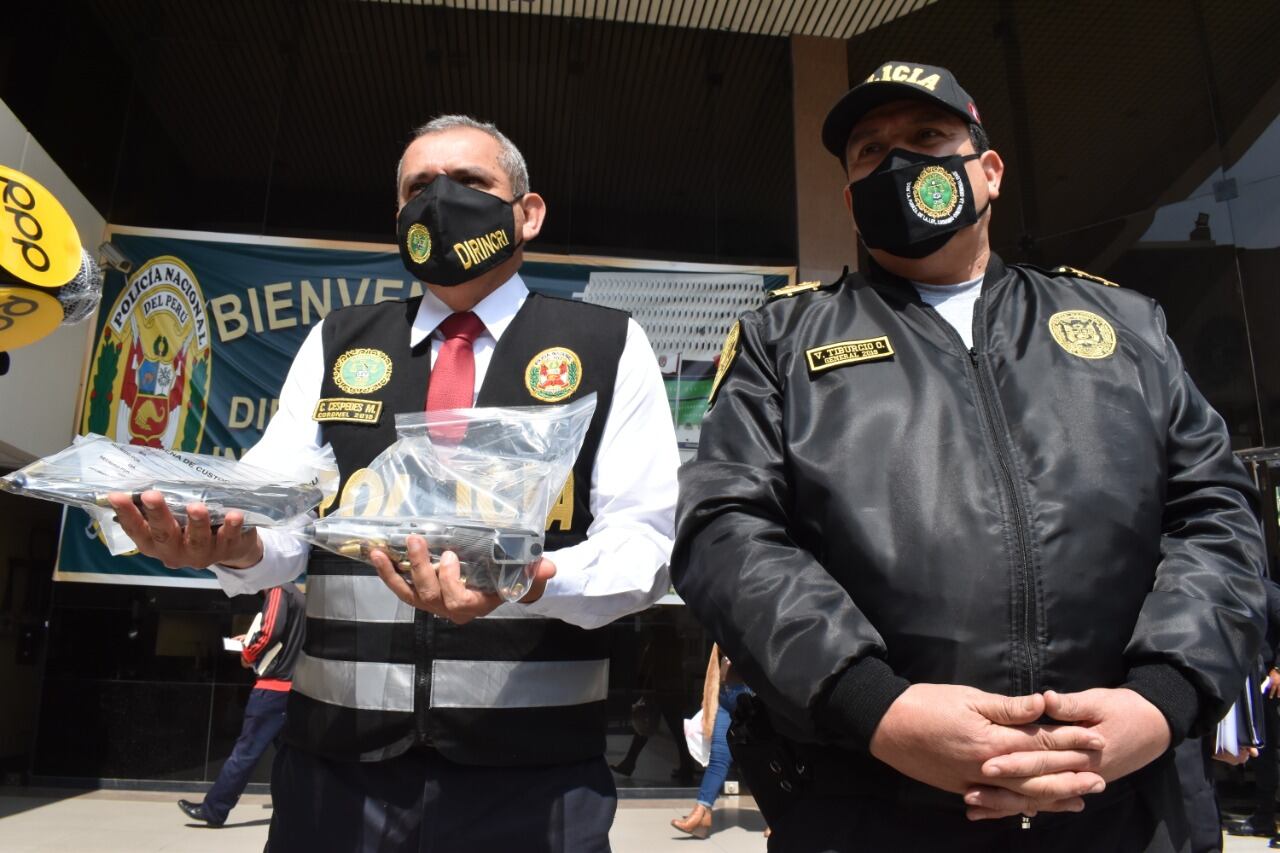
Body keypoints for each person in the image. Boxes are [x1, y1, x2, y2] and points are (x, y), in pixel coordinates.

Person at [671, 60, 1266, 852]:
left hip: (1128, 809)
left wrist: (1162, 696)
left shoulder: (1126, 327)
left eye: (927, 137)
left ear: (988, 172)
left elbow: (1217, 516)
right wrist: (873, 703)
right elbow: (725, 529)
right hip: (869, 811)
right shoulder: (781, 340)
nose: (899, 162)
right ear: (851, 200)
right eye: (871, 152)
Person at [107, 115, 680, 852]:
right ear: (399, 218)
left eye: (469, 181)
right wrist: (232, 544)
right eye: (419, 188)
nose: (441, 201)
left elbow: (643, 548)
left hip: (535, 783)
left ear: (528, 214)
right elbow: (283, 520)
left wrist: (531, 581)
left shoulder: (607, 345)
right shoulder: (338, 342)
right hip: (336, 775)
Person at [178, 583, 304, 828]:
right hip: (292, 689)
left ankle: (214, 810)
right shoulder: (297, 595)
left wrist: (248, 653)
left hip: (271, 690)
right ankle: (303, 810)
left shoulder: (278, 589)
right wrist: (249, 639)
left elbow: (269, 633)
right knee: (291, 758)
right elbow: (286, 638)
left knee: (245, 752)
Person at [671, 644, 751, 839]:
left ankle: (778, 819)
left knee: (762, 759)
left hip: (751, 695)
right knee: (718, 756)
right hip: (725, 695)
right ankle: (701, 814)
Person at [1224, 576, 1280, 842]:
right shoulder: (1232, 589)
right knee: (1258, 751)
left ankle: (1266, 816)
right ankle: (1264, 817)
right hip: (1248, 682)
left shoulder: (1267, 591)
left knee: (1270, 752)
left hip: (1271, 683)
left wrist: (1278, 668)